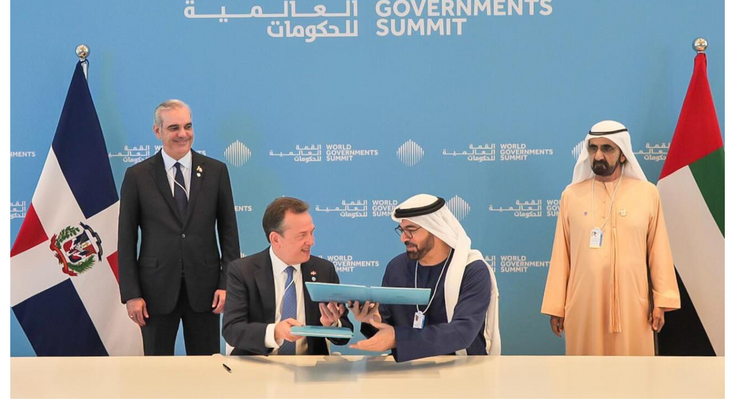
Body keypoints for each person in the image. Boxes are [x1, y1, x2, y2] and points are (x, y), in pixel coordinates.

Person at [541, 120, 681, 355]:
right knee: (585, 371)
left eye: (607, 148)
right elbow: (561, 255)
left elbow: (659, 251)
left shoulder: (647, 194)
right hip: (584, 305)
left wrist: (662, 301)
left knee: (633, 371)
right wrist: (556, 306)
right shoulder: (572, 196)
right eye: (593, 148)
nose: (598, 156)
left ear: (623, 154)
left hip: (633, 305)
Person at [118, 99, 240, 355]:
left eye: (188, 126)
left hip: (206, 291)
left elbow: (229, 233)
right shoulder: (137, 176)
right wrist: (131, 294)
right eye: (174, 128)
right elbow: (126, 240)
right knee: (156, 370)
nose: (183, 134)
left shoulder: (216, 171)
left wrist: (226, 284)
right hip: (154, 292)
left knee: (205, 368)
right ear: (157, 131)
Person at [350, 194, 500, 362]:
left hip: (463, 367)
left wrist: (399, 338)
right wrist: (373, 320)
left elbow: (462, 332)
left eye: (411, 230)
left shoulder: (472, 270)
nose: (403, 238)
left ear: (436, 229)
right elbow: (386, 328)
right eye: (402, 230)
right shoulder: (397, 268)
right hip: (409, 369)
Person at [223, 197, 353, 355]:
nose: (311, 241)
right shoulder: (243, 271)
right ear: (276, 239)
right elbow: (232, 330)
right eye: (302, 235)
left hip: (309, 366)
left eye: (311, 233)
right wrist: (275, 332)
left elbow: (345, 334)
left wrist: (331, 325)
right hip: (258, 363)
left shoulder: (324, 270)